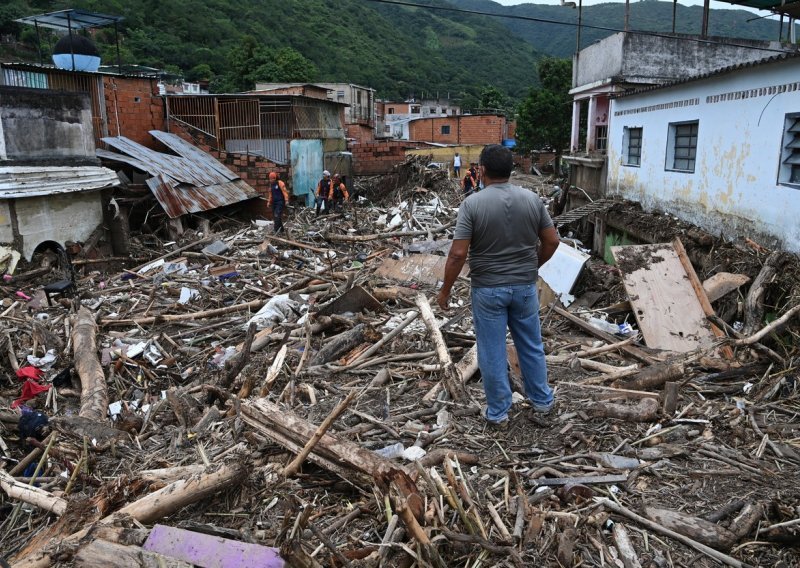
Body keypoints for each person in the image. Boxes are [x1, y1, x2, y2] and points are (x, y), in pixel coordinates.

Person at [438, 144, 560, 430]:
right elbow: (552, 241)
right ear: (511, 170)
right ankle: (542, 402)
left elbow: (457, 254)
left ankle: (498, 413)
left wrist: (444, 291)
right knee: (530, 344)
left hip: (488, 289)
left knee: (491, 350)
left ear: (481, 170)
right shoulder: (532, 200)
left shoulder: (472, 204)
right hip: (524, 287)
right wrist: (532, 267)